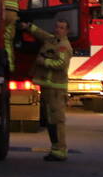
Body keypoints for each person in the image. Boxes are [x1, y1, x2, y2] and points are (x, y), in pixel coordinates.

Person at [21, 18, 73, 161]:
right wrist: (28, 26)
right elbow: (41, 34)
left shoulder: (63, 46)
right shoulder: (52, 39)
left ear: (67, 31)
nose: (58, 29)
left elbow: (61, 64)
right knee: (51, 120)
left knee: (57, 121)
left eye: (62, 27)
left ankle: (60, 150)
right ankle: (55, 149)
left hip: (56, 90)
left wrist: (44, 62)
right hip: (49, 88)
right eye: (57, 27)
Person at [1, 0, 21, 73]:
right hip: (13, 12)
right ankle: (10, 66)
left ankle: (7, 66)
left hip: (1, 11)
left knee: (2, 40)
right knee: (8, 40)